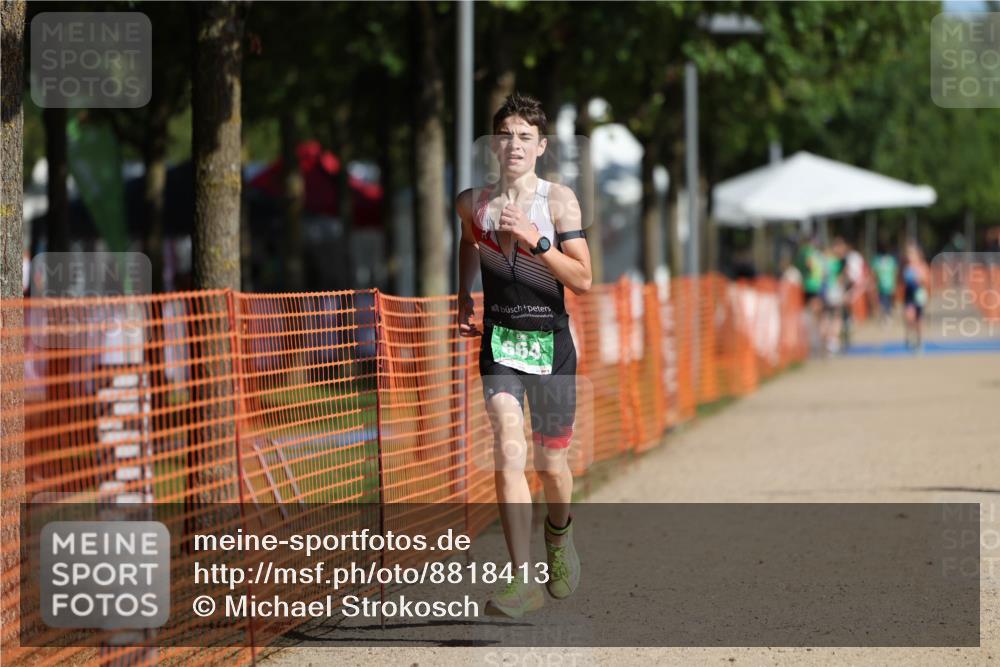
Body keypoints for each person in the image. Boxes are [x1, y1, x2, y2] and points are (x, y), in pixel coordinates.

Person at [455, 93, 592, 618]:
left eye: (524, 137)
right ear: (495, 144)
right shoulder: (472, 203)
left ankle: (559, 534)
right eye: (506, 135)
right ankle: (522, 579)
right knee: (509, 449)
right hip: (501, 344)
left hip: (552, 345)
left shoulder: (559, 203)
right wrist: (465, 293)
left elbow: (582, 279)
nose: (513, 145)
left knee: (550, 463)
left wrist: (536, 242)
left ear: (542, 147)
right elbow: (468, 243)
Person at [902, 241, 930, 351]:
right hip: (909, 295)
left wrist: (919, 279)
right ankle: (909, 337)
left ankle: (919, 341)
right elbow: (903, 281)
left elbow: (927, 281)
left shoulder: (922, 266)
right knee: (909, 317)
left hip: (919, 295)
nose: (909, 256)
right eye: (908, 253)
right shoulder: (906, 267)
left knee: (918, 321)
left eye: (912, 253)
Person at [872, 243, 899, 323]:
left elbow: (873, 272)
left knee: (885, 301)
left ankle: (886, 315)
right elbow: (895, 272)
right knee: (886, 301)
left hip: (884, 285)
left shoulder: (877, 260)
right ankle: (887, 315)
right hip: (886, 285)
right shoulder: (891, 260)